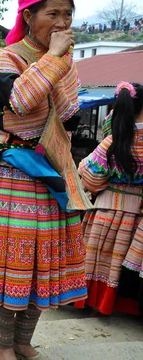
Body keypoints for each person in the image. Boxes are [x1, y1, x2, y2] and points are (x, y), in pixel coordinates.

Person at [0, 0, 87, 360]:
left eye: (67, 13)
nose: (62, 21)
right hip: (15, 172)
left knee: (40, 265)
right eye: (52, 13)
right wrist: (52, 60)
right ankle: (3, 346)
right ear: (28, 16)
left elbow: (70, 117)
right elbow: (17, 102)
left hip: (51, 174)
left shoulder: (65, 61)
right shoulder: (7, 57)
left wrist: (58, 65)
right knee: (13, 265)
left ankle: (23, 342)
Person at [78, 82, 143, 316]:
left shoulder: (111, 142)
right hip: (137, 218)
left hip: (105, 211)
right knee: (121, 265)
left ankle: (93, 302)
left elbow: (92, 180)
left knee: (100, 262)